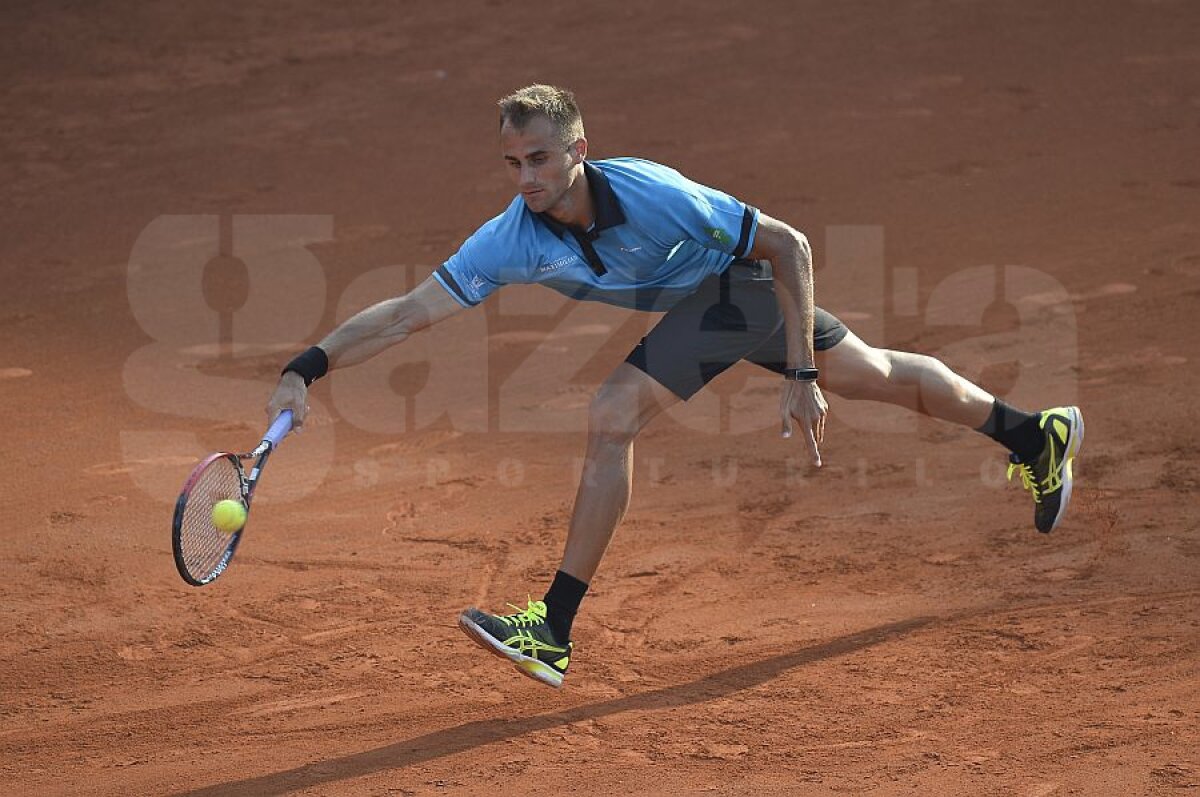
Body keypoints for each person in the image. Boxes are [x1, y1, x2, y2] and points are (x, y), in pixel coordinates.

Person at [266, 84, 1084, 689]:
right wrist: (311, 365)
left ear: (579, 149)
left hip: (741, 289)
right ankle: (1032, 434)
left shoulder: (655, 195)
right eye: (513, 162)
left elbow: (789, 245)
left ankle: (551, 627)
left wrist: (798, 374)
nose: (526, 178)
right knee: (874, 373)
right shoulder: (508, 238)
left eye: (541, 158)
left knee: (612, 411)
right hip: (725, 306)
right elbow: (410, 312)